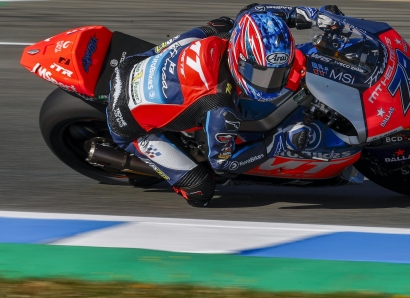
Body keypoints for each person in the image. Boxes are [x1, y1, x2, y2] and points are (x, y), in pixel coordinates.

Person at [107, 4, 343, 207]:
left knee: (220, 24)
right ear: (239, 59)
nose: (271, 84)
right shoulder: (220, 107)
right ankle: (148, 155)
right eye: (261, 74)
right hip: (127, 119)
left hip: (133, 65)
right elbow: (223, 164)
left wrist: (312, 16)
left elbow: (255, 12)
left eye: (278, 73)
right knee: (201, 191)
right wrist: (276, 143)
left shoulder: (234, 32)